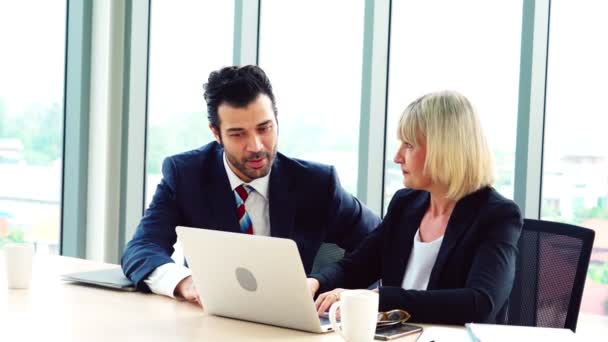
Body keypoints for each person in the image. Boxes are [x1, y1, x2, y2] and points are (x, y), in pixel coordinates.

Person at [121, 65, 381, 305]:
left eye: (264, 128)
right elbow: (142, 249)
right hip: (209, 324)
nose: (256, 146)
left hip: (288, 324)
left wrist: (329, 283)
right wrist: (185, 283)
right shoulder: (186, 175)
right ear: (216, 133)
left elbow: (380, 242)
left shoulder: (316, 184)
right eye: (238, 134)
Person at [308, 91, 523, 325]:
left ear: (444, 150)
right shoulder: (405, 204)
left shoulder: (498, 215)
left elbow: (480, 303)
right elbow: (358, 266)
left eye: (409, 145)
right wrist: (316, 282)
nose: (397, 157)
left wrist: (379, 298)